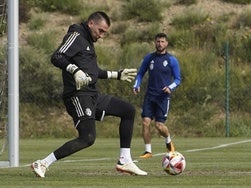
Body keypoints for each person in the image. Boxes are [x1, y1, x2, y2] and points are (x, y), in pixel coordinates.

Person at [31, 11, 147, 177]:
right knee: (87, 138)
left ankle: (125, 161)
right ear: (91, 23)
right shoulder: (76, 36)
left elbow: (92, 72)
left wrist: (117, 75)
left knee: (128, 110)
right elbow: (57, 57)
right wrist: (75, 70)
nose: (102, 36)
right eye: (100, 31)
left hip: (91, 95)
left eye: (104, 33)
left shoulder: (87, 42)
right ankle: (42, 163)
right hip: (77, 96)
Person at [133, 33, 181, 159]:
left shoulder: (172, 60)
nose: (160, 44)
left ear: (167, 43)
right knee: (145, 122)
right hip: (150, 95)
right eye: (158, 41)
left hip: (163, 97)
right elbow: (140, 74)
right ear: (155, 43)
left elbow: (177, 79)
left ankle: (168, 141)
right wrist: (136, 84)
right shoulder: (149, 58)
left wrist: (169, 87)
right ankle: (148, 151)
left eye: (162, 41)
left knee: (159, 125)